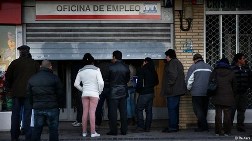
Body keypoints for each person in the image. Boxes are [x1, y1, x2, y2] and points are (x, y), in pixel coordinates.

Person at [5, 45, 40, 141]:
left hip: (16, 93)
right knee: (27, 115)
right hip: (29, 93)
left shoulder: (14, 63)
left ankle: (14, 136)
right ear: (28, 52)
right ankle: (28, 135)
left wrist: (9, 89)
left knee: (16, 115)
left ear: (20, 52)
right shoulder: (34, 64)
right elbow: (38, 79)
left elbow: (8, 78)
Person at [27, 60, 64, 141]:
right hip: (52, 107)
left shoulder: (32, 78)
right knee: (53, 130)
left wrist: (33, 104)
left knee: (37, 129)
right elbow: (60, 93)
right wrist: (59, 105)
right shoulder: (55, 78)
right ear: (50, 67)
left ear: (40, 67)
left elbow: (29, 94)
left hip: (38, 107)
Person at [74, 53, 104, 137]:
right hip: (94, 93)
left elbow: (76, 84)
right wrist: (99, 91)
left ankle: (84, 132)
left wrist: (83, 89)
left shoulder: (80, 71)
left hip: (85, 94)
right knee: (92, 112)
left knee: (85, 112)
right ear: (92, 62)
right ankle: (93, 132)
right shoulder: (97, 70)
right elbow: (101, 83)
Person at [161, 49, 186, 133]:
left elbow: (173, 75)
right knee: (175, 109)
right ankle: (174, 126)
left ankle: (172, 127)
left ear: (169, 56)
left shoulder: (173, 63)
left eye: (166, 56)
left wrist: (168, 85)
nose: (166, 58)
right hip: (176, 90)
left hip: (172, 91)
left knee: (172, 109)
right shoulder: (177, 62)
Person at [186, 53, 212, 132]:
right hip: (207, 92)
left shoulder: (193, 67)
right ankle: (200, 125)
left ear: (195, 60)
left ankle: (204, 126)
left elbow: (189, 81)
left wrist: (188, 89)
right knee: (204, 109)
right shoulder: (210, 67)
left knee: (198, 110)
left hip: (196, 92)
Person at [211, 58, 237, 136]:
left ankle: (218, 131)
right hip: (228, 96)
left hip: (217, 96)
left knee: (218, 115)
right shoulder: (231, 72)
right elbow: (235, 86)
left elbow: (210, 82)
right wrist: (233, 95)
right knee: (227, 115)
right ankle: (227, 132)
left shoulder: (215, 71)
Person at [107, 50, 130, 136]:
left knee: (113, 113)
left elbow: (107, 79)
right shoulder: (126, 67)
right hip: (123, 91)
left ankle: (114, 131)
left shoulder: (110, 67)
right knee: (123, 112)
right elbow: (127, 79)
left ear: (114, 57)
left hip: (113, 92)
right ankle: (124, 131)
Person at [135, 57, 159, 132]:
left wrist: (138, 90)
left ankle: (140, 126)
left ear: (145, 62)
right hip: (151, 92)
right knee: (149, 110)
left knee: (139, 109)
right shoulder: (153, 71)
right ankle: (147, 127)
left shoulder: (142, 70)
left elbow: (139, 83)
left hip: (144, 93)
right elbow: (156, 82)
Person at [231, 53, 252, 132]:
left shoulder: (246, 68)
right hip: (234, 94)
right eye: (243, 58)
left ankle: (240, 126)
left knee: (242, 110)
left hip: (243, 92)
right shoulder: (232, 68)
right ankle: (229, 125)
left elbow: (250, 79)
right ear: (238, 60)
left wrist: (248, 87)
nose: (244, 60)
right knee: (232, 110)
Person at [95, 60, 111, 128]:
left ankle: (98, 122)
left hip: (100, 88)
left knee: (98, 106)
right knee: (111, 106)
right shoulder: (111, 66)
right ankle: (111, 121)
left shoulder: (98, 67)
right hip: (109, 87)